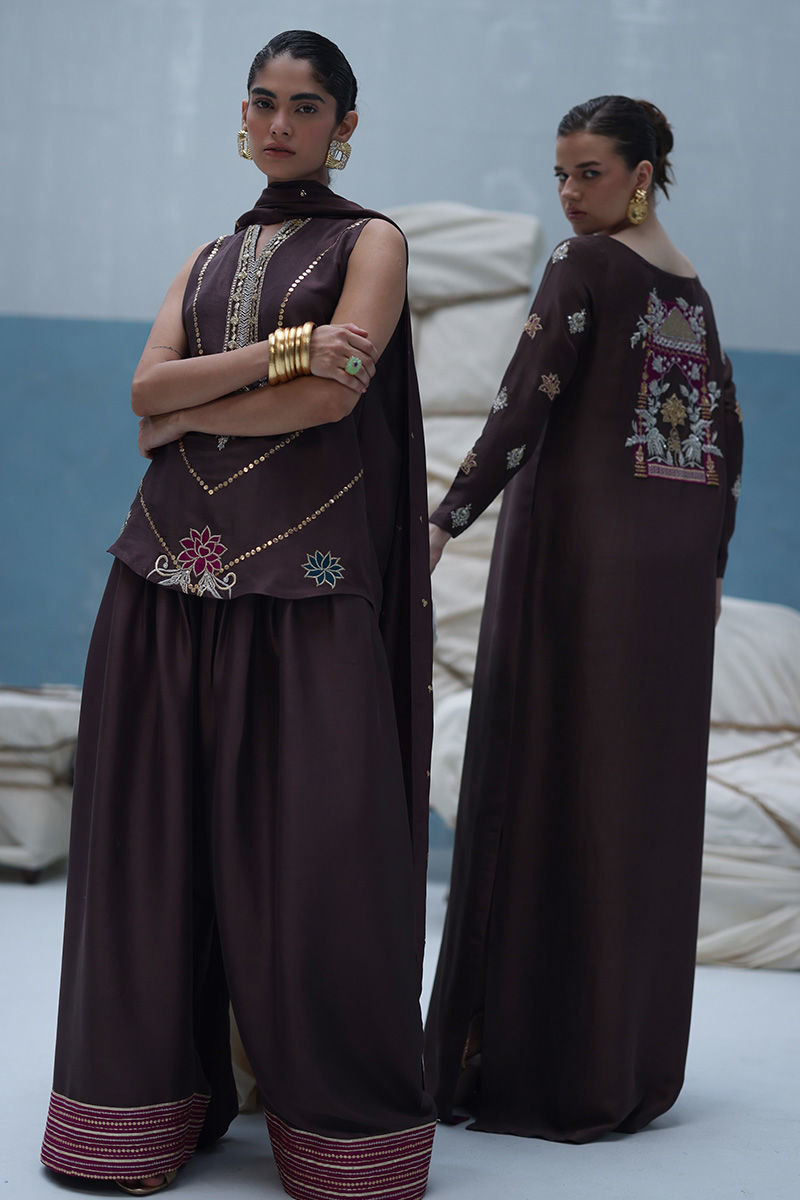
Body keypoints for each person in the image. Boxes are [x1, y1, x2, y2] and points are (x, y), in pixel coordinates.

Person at [40, 30, 436, 1198]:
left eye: (304, 107)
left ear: (344, 126)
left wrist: (193, 405)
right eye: (262, 102)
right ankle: (137, 1121)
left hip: (302, 585)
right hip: (163, 580)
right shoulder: (207, 254)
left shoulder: (373, 241)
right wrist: (281, 353)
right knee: (147, 851)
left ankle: (338, 1139)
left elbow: (333, 399)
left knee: (312, 853)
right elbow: (142, 390)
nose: (278, 124)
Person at [423, 95, 743, 1143]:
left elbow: (524, 404)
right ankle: (624, 1065)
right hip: (670, 584)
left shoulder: (583, 266)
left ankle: (526, 1063)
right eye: (559, 173)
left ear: (641, 175)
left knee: (544, 789)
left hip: (575, 568)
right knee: (635, 807)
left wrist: (444, 519)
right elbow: (724, 439)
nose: (567, 193)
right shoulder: (690, 291)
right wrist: (707, 563)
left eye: (589, 173)